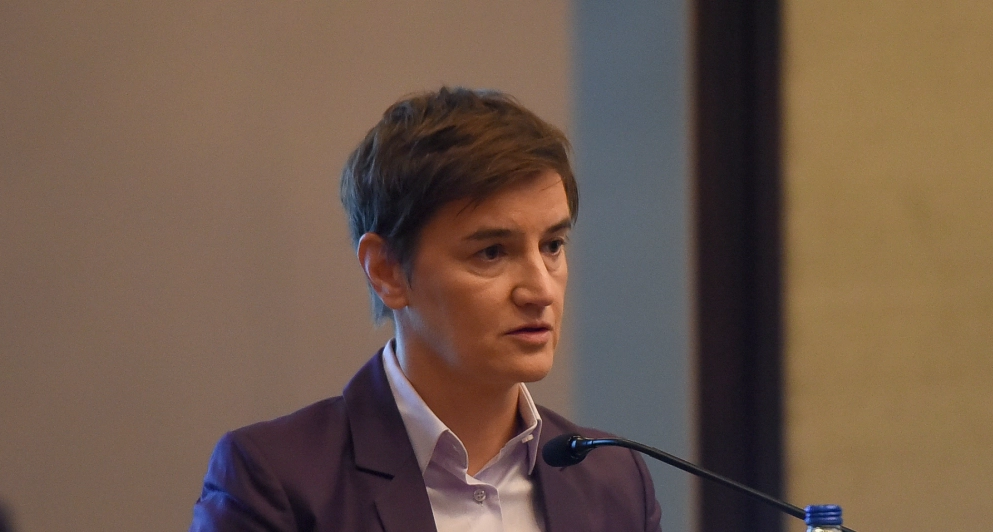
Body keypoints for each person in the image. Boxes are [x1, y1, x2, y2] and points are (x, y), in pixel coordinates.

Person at [190, 87, 662, 531]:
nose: (540, 290)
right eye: (492, 252)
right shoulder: (276, 480)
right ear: (387, 271)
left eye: (553, 245)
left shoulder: (615, 481)